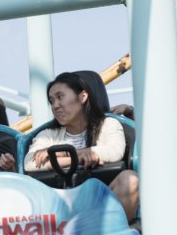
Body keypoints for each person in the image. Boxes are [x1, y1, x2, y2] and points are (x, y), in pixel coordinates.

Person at [24, 72, 139, 220]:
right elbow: (30, 162)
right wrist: (80, 158)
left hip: (102, 205)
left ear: (83, 97)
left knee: (130, 180)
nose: (55, 106)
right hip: (59, 207)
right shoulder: (47, 134)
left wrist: (58, 155)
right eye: (51, 101)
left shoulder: (108, 124)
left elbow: (114, 152)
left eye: (60, 97)